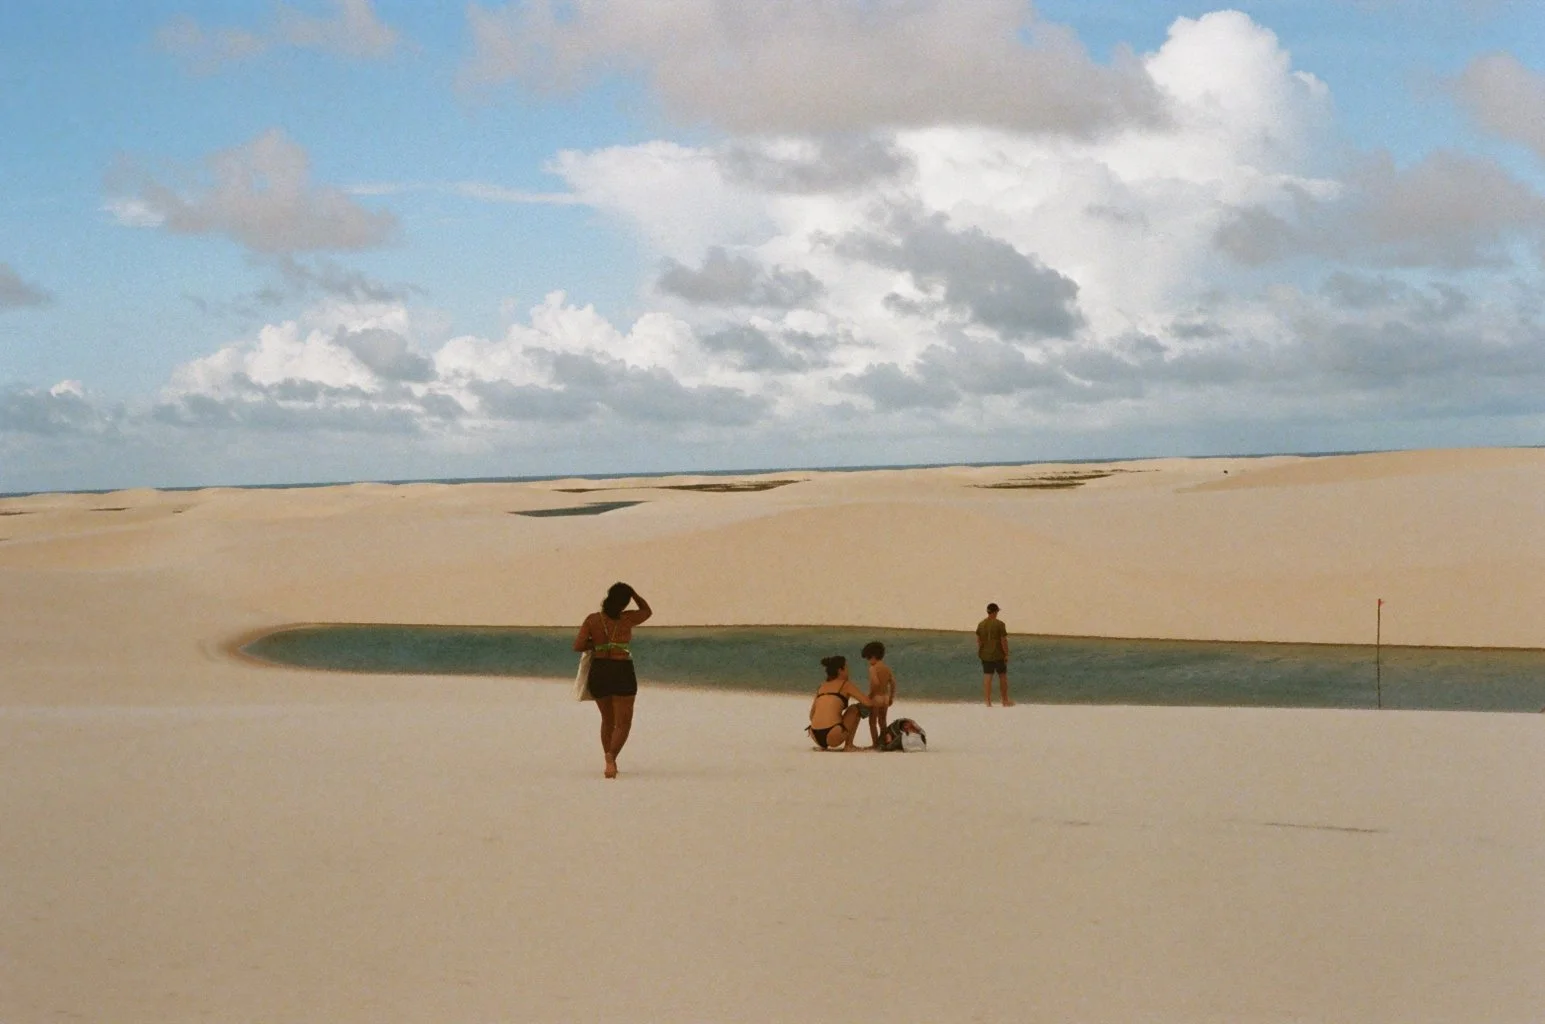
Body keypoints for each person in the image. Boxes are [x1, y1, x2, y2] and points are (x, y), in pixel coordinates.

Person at [573, 582, 652, 778]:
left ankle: (610, 761)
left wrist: (599, 644)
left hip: (599, 670)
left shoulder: (593, 620)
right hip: (622, 669)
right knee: (623, 723)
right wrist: (634, 593)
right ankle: (611, 757)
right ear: (625, 602)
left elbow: (579, 645)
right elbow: (647, 611)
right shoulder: (627, 618)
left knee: (607, 720)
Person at [807, 655, 873, 751]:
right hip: (833, 734)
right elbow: (868, 703)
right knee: (854, 708)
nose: (849, 671)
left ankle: (825, 745)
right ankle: (849, 745)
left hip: (815, 735)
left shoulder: (822, 686)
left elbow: (811, 715)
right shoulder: (845, 684)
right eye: (847, 668)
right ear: (840, 670)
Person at [976, 602, 1013, 707]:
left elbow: (978, 640)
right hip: (998, 654)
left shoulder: (981, 624)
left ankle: (988, 701)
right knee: (1002, 677)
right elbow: (1003, 641)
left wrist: (981, 650)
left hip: (985, 655)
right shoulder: (1000, 624)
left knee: (987, 677)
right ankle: (1005, 700)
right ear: (995, 612)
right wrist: (1006, 654)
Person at [862, 640, 895, 748]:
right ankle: (884, 742)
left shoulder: (873, 668)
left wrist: (870, 695)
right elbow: (893, 683)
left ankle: (875, 744)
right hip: (885, 697)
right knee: (883, 721)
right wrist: (891, 697)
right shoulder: (887, 668)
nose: (868, 661)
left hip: (877, 697)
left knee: (872, 722)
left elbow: (875, 683)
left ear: (872, 656)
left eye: (868, 658)